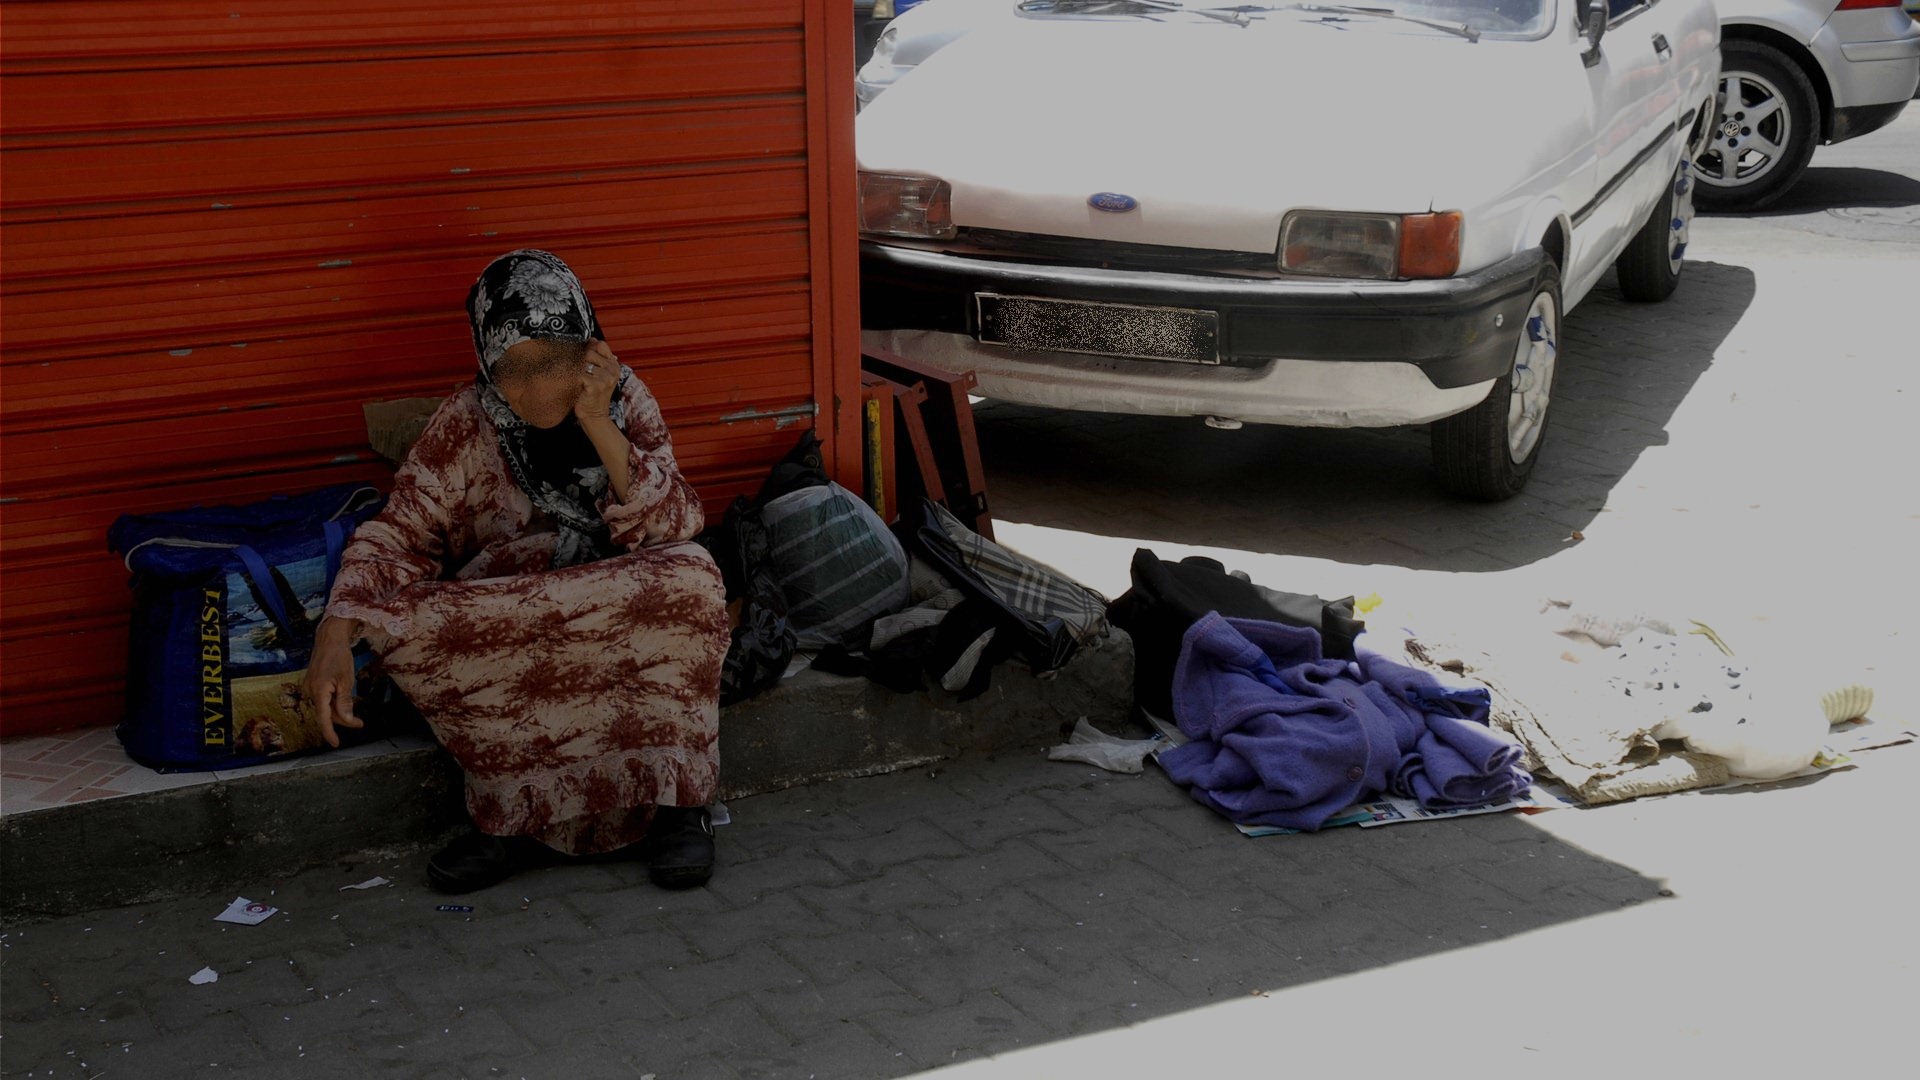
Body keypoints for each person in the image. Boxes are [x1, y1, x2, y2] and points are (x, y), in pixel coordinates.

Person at [302, 249, 730, 894]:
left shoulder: (624, 398)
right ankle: (510, 818)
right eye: (515, 370)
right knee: (401, 623)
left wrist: (596, 420)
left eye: (553, 362)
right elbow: (398, 533)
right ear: (487, 362)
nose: (535, 390)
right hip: (511, 617)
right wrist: (336, 628)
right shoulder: (463, 421)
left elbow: (676, 522)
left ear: (588, 350)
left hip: (617, 604)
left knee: (692, 578)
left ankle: (677, 808)